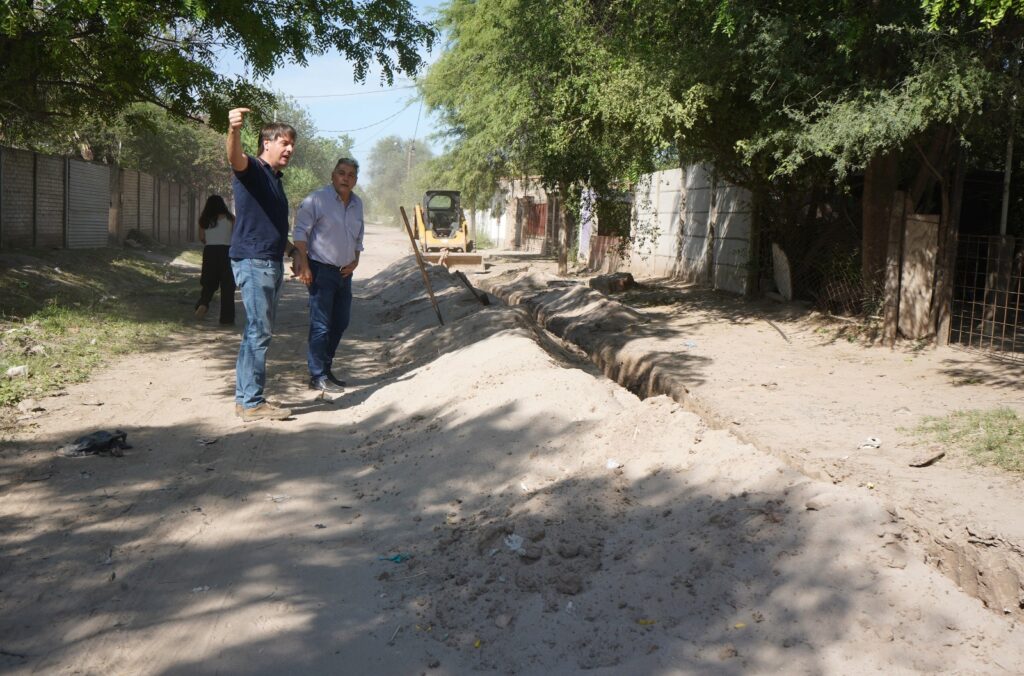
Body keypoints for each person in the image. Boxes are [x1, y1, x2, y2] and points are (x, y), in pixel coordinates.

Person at [226, 107, 296, 421]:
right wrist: (233, 130)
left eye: (292, 144)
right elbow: (234, 157)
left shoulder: (274, 180)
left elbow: (272, 223)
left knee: (254, 332)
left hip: (267, 259)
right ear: (266, 143)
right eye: (284, 142)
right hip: (254, 261)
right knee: (259, 332)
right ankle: (253, 403)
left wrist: (293, 251)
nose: (290, 149)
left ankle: (245, 399)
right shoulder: (253, 168)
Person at [292, 158, 364, 394]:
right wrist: (303, 262)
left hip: (345, 273)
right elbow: (301, 231)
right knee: (321, 325)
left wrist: (356, 260)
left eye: (351, 175)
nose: (346, 178)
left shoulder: (357, 204)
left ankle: (326, 367)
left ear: (355, 180)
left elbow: (358, 236)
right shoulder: (317, 199)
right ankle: (317, 375)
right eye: (341, 173)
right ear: (333, 175)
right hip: (321, 270)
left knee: (341, 322)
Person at [194, 195, 236, 325]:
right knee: (227, 286)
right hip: (227, 252)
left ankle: (203, 303)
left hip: (210, 251)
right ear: (223, 204)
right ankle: (226, 319)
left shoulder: (204, 220)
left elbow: (201, 237)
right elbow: (235, 236)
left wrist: (211, 242)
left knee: (208, 282)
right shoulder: (231, 219)